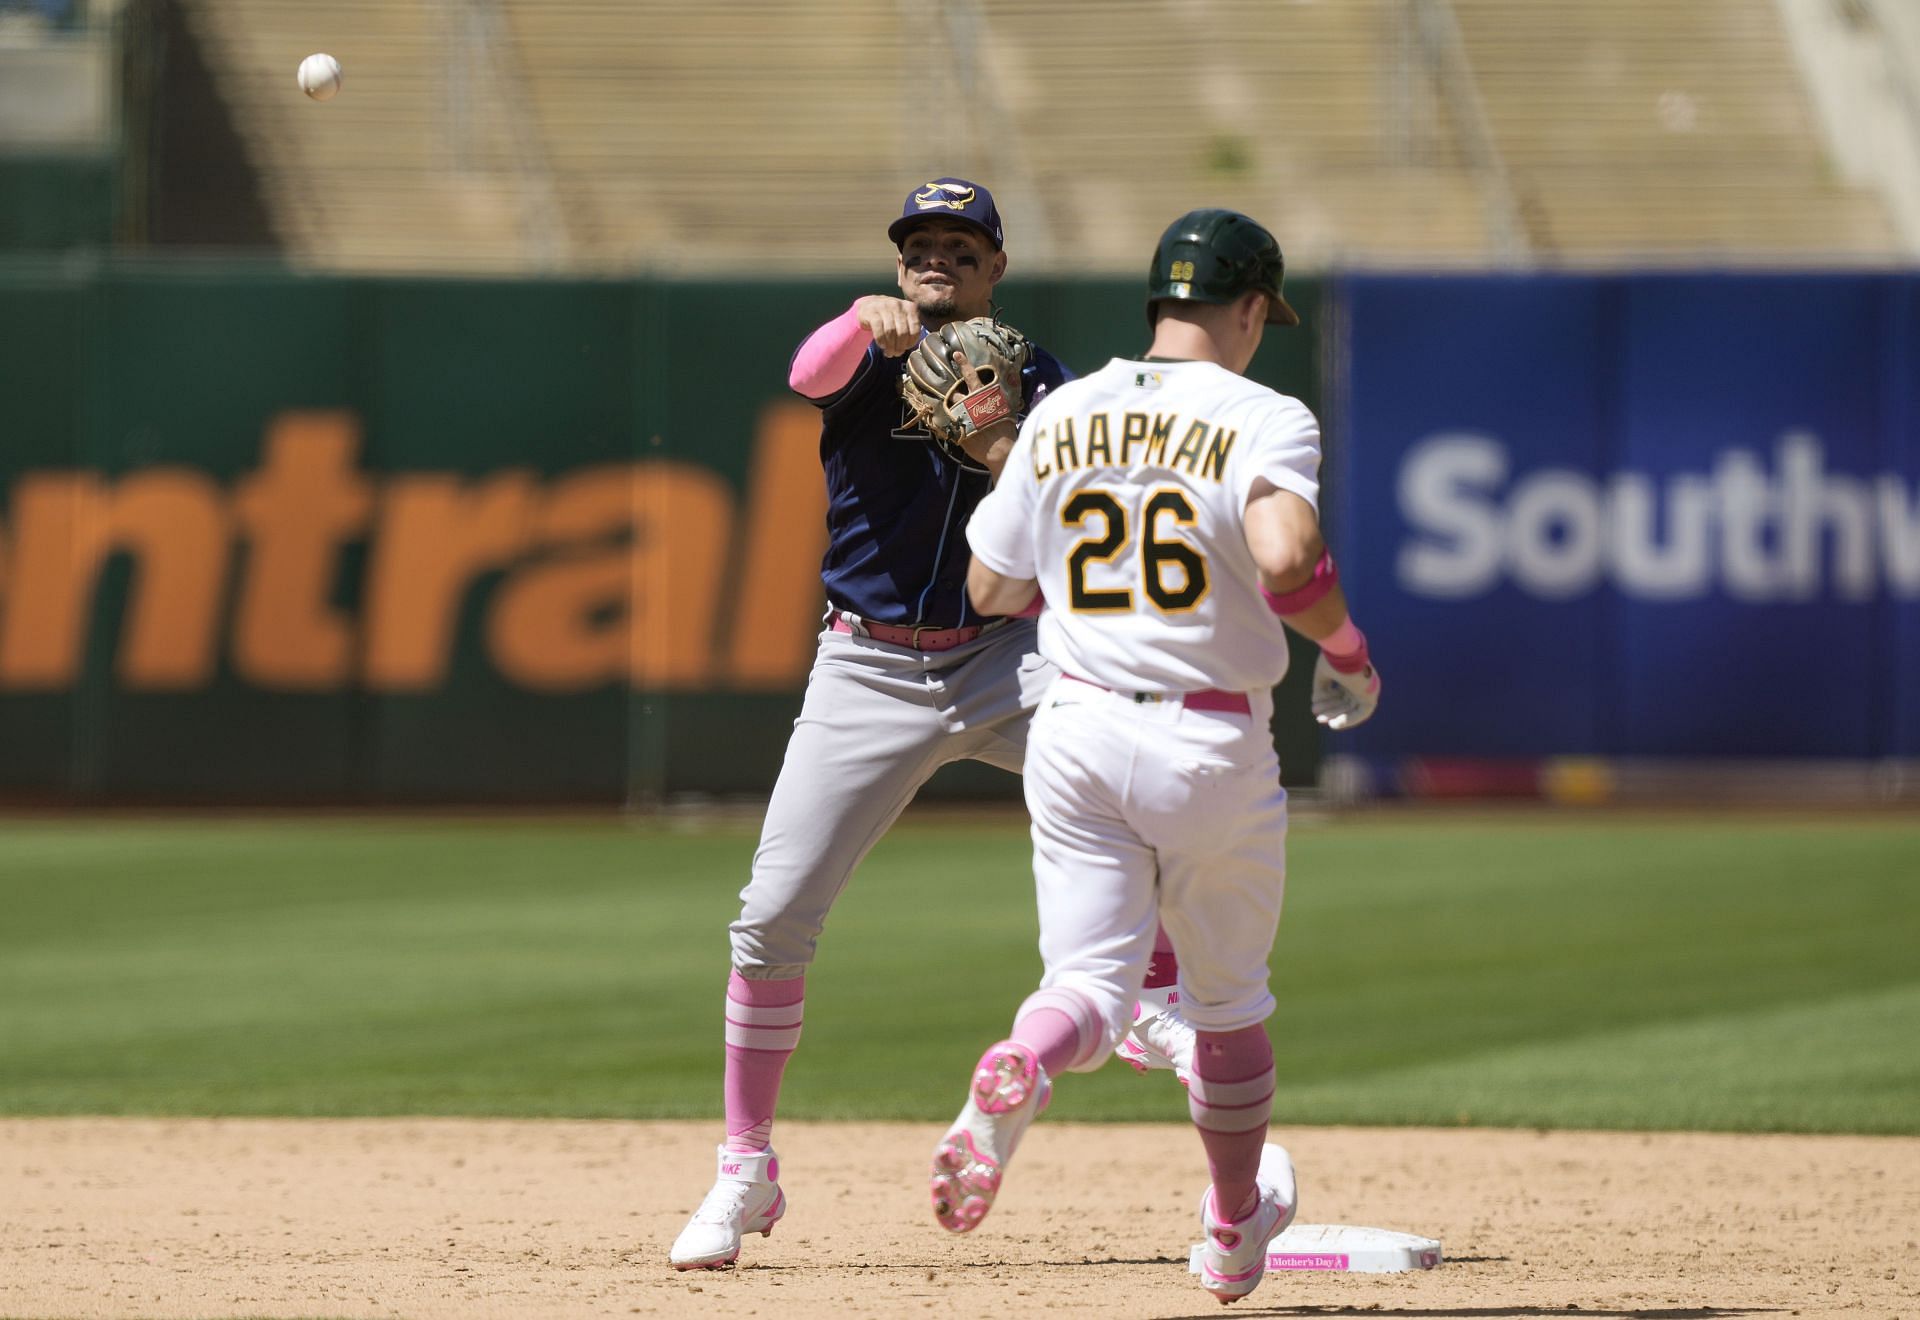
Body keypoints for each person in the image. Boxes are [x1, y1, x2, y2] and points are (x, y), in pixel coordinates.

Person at [935, 208, 1382, 1305]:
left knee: (1085, 984)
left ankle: (1025, 1066)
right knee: (1226, 1009)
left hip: (1076, 723)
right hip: (1208, 736)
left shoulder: (1064, 412)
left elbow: (989, 590)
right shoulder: (1262, 412)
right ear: (1243, 310)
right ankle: (1233, 1231)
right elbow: (1285, 556)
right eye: (1260, 314)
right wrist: (1348, 650)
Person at [669, 177, 1094, 1270]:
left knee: (1143, 798)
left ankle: (1166, 1025)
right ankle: (744, 1167)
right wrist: (861, 320)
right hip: (867, 666)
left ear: (996, 267)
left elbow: (1069, 503)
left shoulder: (1040, 375)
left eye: (961, 246)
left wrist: (1007, 430)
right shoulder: (863, 352)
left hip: (1010, 660)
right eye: (921, 246)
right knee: (770, 917)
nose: (937, 261)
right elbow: (805, 375)